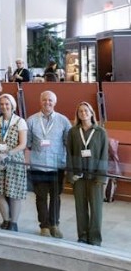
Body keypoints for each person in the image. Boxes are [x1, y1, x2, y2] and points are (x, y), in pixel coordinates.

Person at [26, 91, 72, 238]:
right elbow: (27, 144)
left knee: (55, 197)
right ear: (41, 101)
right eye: (45, 100)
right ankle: (44, 226)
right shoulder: (31, 120)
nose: (47, 102)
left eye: (50, 100)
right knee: (40, 197)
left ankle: (54, 224)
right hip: (38, 165)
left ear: (55, 102)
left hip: (56, 166)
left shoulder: (63, 121)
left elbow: (68, 143)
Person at [66, 102, 108, 246]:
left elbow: (104, 155)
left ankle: (95, 238)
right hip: (79, 177)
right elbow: (69, 154)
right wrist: (70, 175)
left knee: (96, 209)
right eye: (80, 111)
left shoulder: (100, 132)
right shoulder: (73, 132)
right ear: (77, 114)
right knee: (80, 208)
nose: (83, 113)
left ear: (91, 113)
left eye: (86, 110)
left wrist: (102, 177)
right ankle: (83, 236)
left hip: (95, 177)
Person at [0, 94, 28, 231]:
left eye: (7, 104)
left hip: (14, 161)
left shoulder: (20, 122)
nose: (4, 106)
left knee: (14, 193)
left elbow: (22, 144)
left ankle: (14, 223)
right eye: (1, 104)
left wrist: (7, 154)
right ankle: (6, 220)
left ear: (13, 106)